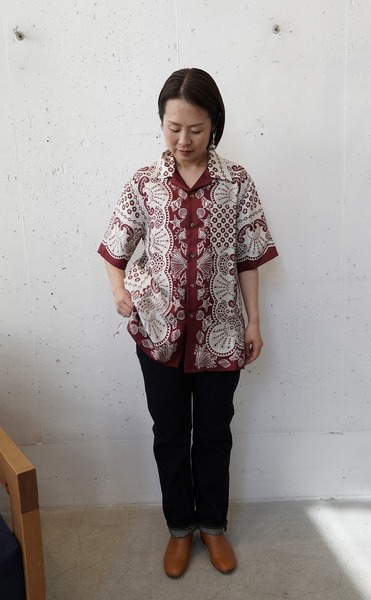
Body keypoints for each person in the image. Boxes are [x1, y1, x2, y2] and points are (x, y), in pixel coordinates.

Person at [98, 68, 278, 578]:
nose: (183, 140)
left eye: (195, 129)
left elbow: (249, 258)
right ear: (161, 122)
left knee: (215, 434)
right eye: (173, 127)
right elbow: (115, 246)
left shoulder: (237, 183)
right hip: (159, 334)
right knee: (171, 435)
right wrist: (119, 292)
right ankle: (180, 529)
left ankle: (213, 526)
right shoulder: (144, 183)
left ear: (214, 124)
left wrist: (254, 323)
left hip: (221, 334)